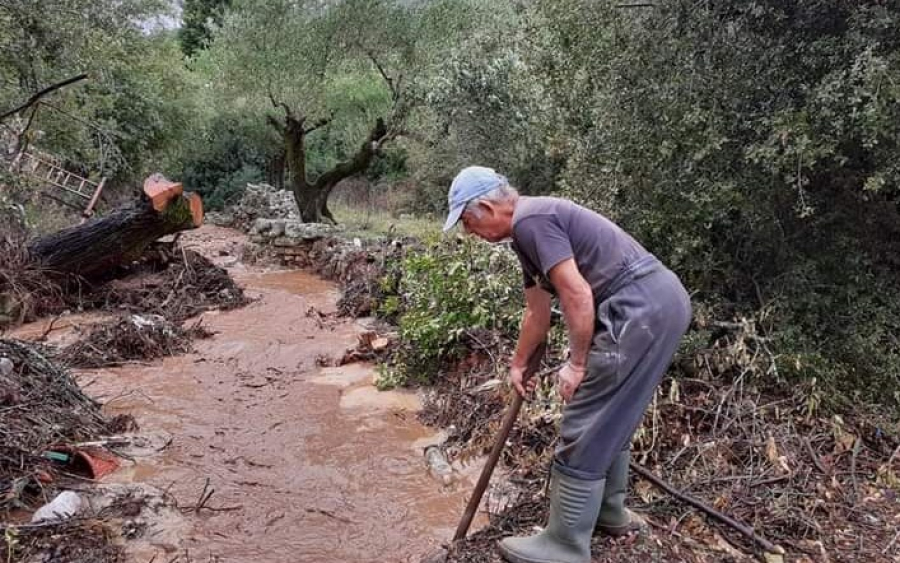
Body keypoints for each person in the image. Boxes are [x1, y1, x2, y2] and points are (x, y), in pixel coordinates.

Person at [443, 166, 692, 563]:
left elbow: (577, 293)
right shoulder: (526, 238)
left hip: (640, 309)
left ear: (488, 207)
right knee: (614, 415)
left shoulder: (533, 221)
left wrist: (576, 364)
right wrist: (519, 363)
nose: (469, 233)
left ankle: (564, 544)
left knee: (586, 420)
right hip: (658, 304)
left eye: (468, 222)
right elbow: (536, 314)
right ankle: (609, 513)